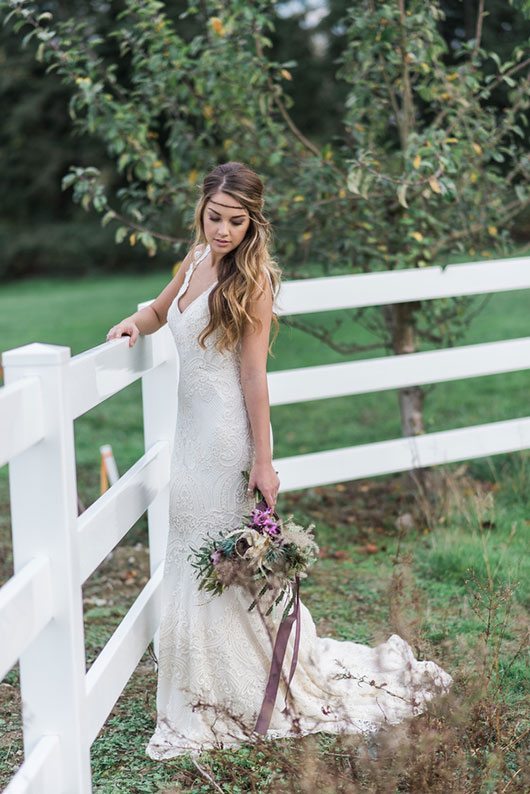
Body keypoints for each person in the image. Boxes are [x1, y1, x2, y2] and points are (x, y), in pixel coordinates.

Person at [105, 161, 453, 759]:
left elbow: (255, 378)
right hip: (191, 437)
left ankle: (239, 683)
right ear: (203, 211)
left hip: (228, 439)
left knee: (224, 555)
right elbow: (161, 312)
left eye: (235, 221)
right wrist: (132, 326)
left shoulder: (254, 282)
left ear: (252, 222)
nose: (222, 231)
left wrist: (264, 463)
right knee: (190, 547)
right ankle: (194, 676)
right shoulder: (193, 260)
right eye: (215, 217)